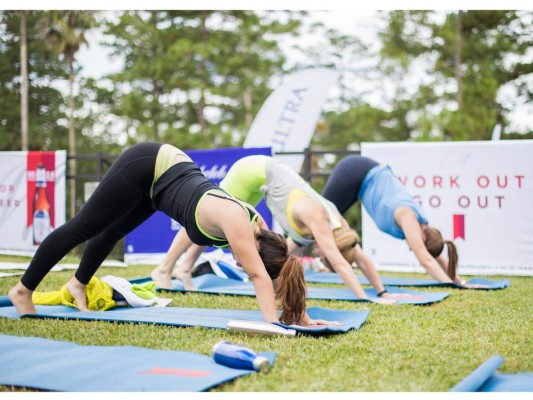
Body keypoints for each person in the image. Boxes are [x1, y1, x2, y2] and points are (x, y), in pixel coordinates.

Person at [9, 142, 330, 326]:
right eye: (255, 270)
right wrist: (273, 326)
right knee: (84, 226)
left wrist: (300, 314)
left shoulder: (264, 236)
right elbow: (262, 278)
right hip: (151, 164)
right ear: (258, 258)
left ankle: (77, 284)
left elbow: (279, 271)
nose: (248, 273)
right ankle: (23, 291)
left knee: (115, 230)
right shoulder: (240, 225)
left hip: (163, 186)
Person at [156, 155, 399, 304]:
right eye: (327, 259)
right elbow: (341, 262)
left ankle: (185, 268)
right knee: (207, 217)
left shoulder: (340, 229)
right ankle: (166, 269)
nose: (324, 261)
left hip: (263, 179)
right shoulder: (321, 222)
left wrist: (382, 291)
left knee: (216, 229)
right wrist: (365, 297)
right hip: (252, 171)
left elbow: (356, 255)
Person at [321, 154, 466, 285]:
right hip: (356, 170)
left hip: (360, 184)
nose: (411, 247)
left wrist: (458, 281)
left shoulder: (423, 228)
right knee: (319, 214)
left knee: (327, 220)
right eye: (413, 248)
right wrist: (450, 285)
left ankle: (313, 260)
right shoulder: (409, 218)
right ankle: (303, 259)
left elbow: (433, 257)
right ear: (422, 239)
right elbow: (426, 260)